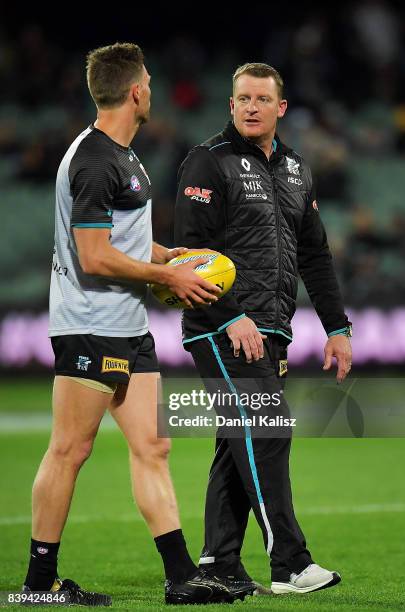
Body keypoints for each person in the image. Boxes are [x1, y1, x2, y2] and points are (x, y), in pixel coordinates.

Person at [21, 42, 236, 606]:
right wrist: (168, 280)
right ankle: (37, 586)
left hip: (128, 325)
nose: (152, 93)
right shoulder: (94, 159)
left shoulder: (122, 155)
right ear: (137, 91)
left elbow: (120, 241)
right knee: (70, 449)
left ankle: (181, 577)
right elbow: (93, 256)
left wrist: (165, 256)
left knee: (154, 446)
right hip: (91, 324)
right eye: (149, 84)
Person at [174, 62, 352, 596]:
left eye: (261, 99)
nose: (251, 106)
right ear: (231, 105)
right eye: (242, 98)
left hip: (272, 326)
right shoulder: (208, 162)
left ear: (281, 108)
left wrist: (337, 327)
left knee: (238, 441)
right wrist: (231, 316)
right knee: (268, 431)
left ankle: (219, 562)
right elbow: (189, 254)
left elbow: (315, 256)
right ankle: (290, 565)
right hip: (220, 326)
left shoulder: (296, 169)